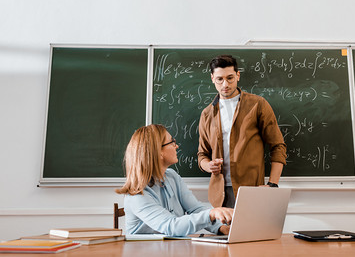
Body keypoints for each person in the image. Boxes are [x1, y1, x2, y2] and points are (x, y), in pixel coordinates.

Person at [198, 55, 287, 208]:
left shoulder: (257, 105)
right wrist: (209, 166)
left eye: (230, 78)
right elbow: (202, 155)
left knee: (255, 232)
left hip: (252, 191)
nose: (225, 84)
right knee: (224, 232)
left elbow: (278, 146)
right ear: (212, 78)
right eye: (220, 79)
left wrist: (272, 185)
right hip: (219, 195)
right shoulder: (207, 114)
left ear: (238, 75)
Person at [116, 124, 233, 237]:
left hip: (171, 248)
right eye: (172, 142)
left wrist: (221, 228)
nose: (176, 146)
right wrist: (211, 214)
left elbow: (195, 209)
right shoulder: (137, 194)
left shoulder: (172, 177)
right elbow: (171, 226)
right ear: (159, 151)